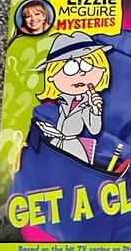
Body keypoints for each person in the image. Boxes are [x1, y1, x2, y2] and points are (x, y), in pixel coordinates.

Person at [34, 32, 112, 163]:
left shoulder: (87, 103)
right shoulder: (63, 100)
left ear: (102, 69)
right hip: (56, 143)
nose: (81, 73)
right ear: (51, 76)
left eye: (87, 65)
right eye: (70, 68)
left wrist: (95, 111)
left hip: (73, 148)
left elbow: (94, 130)